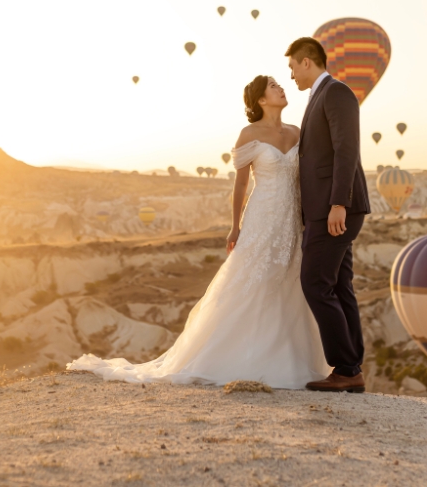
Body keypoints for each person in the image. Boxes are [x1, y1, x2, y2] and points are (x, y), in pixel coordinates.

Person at [66, 75, 329, 388]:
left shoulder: (297, 133)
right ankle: (237, 359)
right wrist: (235, 226)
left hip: (290, 221)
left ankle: (290, 362)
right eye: (274, 86)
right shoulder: (249, 134)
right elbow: (241, 185)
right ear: (260, 99)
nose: (281, 88)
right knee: (253, 281)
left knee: (288, 282)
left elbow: (305, 179)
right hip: (262, 218)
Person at [286, 36, 371, 393]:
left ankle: (345, 367)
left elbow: (346, 149)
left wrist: (338, 202)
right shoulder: (319, 96)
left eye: (292, 68)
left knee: (315, 283)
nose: (290, 76)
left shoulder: (336, 92)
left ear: (308, 62)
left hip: (335, 208)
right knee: (338, 285)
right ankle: (351, 368)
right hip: (327, 208)